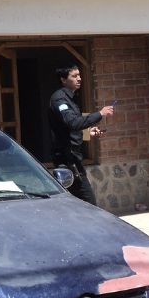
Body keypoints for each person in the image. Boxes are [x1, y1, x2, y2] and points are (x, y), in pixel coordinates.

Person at [48, 64, 113, 205]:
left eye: (79, 75)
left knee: (78, 203)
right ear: (63, 80)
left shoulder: (71, 98)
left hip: (74, 159)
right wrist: (100, 114)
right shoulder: (59, 99)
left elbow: (70, 129)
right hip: (66, 161)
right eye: (74, 76)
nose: (79, 78)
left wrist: (88, 133)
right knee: (88, 202)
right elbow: (73, 122)